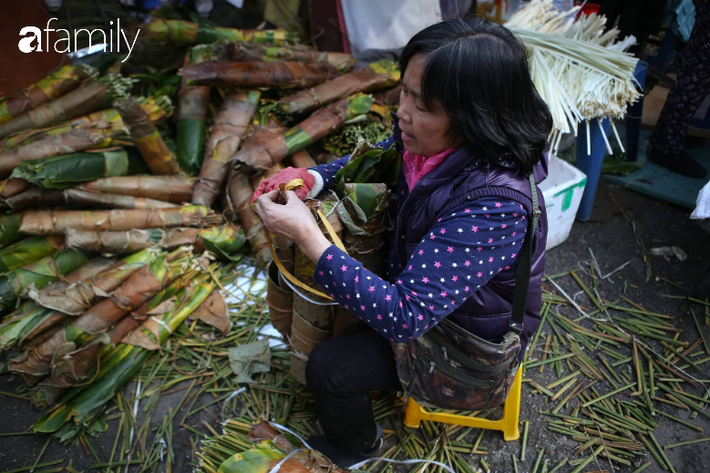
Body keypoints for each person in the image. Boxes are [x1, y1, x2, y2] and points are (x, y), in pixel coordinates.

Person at [253, 17, 552, 468]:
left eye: (422, 103)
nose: (401, 112)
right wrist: (312, 178)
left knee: (328, 366)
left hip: (461, 340)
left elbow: (404, 317)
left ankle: (357, 445)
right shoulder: (430, 140)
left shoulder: (496, 205)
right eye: (405, 91)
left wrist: (307, 235)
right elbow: (386, 152)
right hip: (425, 295)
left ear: (477, 117)